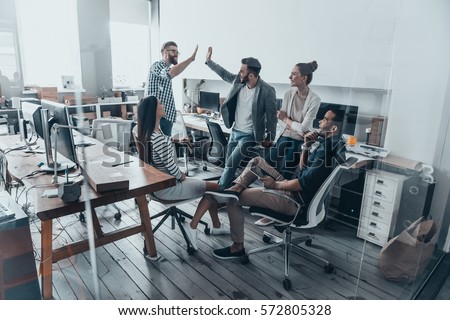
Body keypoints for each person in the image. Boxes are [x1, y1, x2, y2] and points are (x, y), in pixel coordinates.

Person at [205, 107, 346, 259]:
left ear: (334, 127)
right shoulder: (331, 144)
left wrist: (275, 185)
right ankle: (236, 187)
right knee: (257, 161)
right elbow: (303, 170)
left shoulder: (326, 151)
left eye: (325, 118)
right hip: (295, 191)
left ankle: (237, 247)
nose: (320, 121)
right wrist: (306, 145)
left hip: (295, 201)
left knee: (233, 200)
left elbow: (301, 183)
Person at [135, 96, 229, 251]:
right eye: (160, 103)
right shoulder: (156, 137)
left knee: (208, 186)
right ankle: (193, 227)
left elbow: (162, 145)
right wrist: (182, 176)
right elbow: (172, 168)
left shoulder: (150, 133)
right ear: (154, 111)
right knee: (215, 187)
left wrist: (173, 140)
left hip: (158, 187)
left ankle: (217, 226)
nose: (163, 105)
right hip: (170, 187)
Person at [256, 61, 321, 227]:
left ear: (304, 77)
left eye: (293, 74)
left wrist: (286, 119)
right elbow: (288, 123)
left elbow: (304, 128)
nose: (289, 77)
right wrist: (290, 122)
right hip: (285, 135)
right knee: (267, 165)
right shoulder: (288, 93)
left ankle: (276, 209)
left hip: (299, 140)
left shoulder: (315, 99)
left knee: (285, 171)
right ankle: (265, 203)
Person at [205, 47, 277, 190]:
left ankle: (218, 193)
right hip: (235, 130)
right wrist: (209, 61)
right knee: (228, 163)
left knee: (231, 162)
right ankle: (229, 190)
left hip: (250, 135)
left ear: (251, 75)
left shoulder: (267, 91)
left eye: (242, 71)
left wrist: (270, 137)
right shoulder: (239, 82)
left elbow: (271, 117)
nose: (239, 73)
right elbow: (224, 74)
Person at [146, 41, 198, 136]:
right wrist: (190, 59)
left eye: (177, 52)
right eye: (174, 51)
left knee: (166, 146)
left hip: (166, 117)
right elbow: (170, 73)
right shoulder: (157, 66)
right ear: (165, 52)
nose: (176, 54)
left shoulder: (165, 68)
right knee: (159, 147)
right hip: (157, 117)